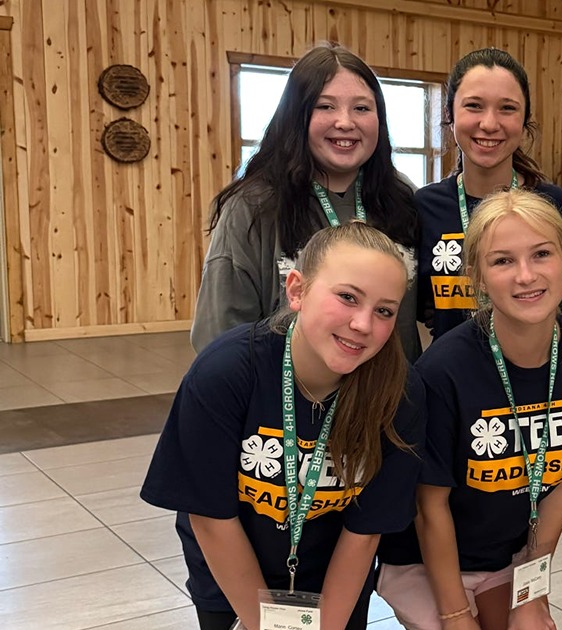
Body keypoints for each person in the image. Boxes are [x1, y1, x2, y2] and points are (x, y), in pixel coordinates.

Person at [142, 222, 426, 630]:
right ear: (297, 290)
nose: (363, 324)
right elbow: (211, 518)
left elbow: (364, 532)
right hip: (230, 573)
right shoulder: (225, 373)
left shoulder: (399, 393)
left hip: (333, 578)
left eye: (384, 310)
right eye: (348, 297)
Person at [377, 190, 562, 630]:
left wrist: (535, 588)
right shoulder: (442, 372)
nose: (526, 276)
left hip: (509, 555)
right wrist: (454, 614)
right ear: (478, 277)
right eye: (502, 261)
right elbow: (429, 506)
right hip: (426, 557)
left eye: (542, 254)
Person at [192, 42, 421, 362]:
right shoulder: (253, 206)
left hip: (389, 401)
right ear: (296, 116)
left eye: (362, 108)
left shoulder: (403, 198)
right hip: (288, 402)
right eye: (325, 106)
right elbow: (218, 335)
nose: (345, 122)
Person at [418, 48, 562, 341]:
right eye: (474, 106)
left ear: (525, 119)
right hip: (452, 376)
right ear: (450, 114)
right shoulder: (424, 207)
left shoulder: (551, 203)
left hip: (536, 374)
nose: (489, 124)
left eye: (507, 108)